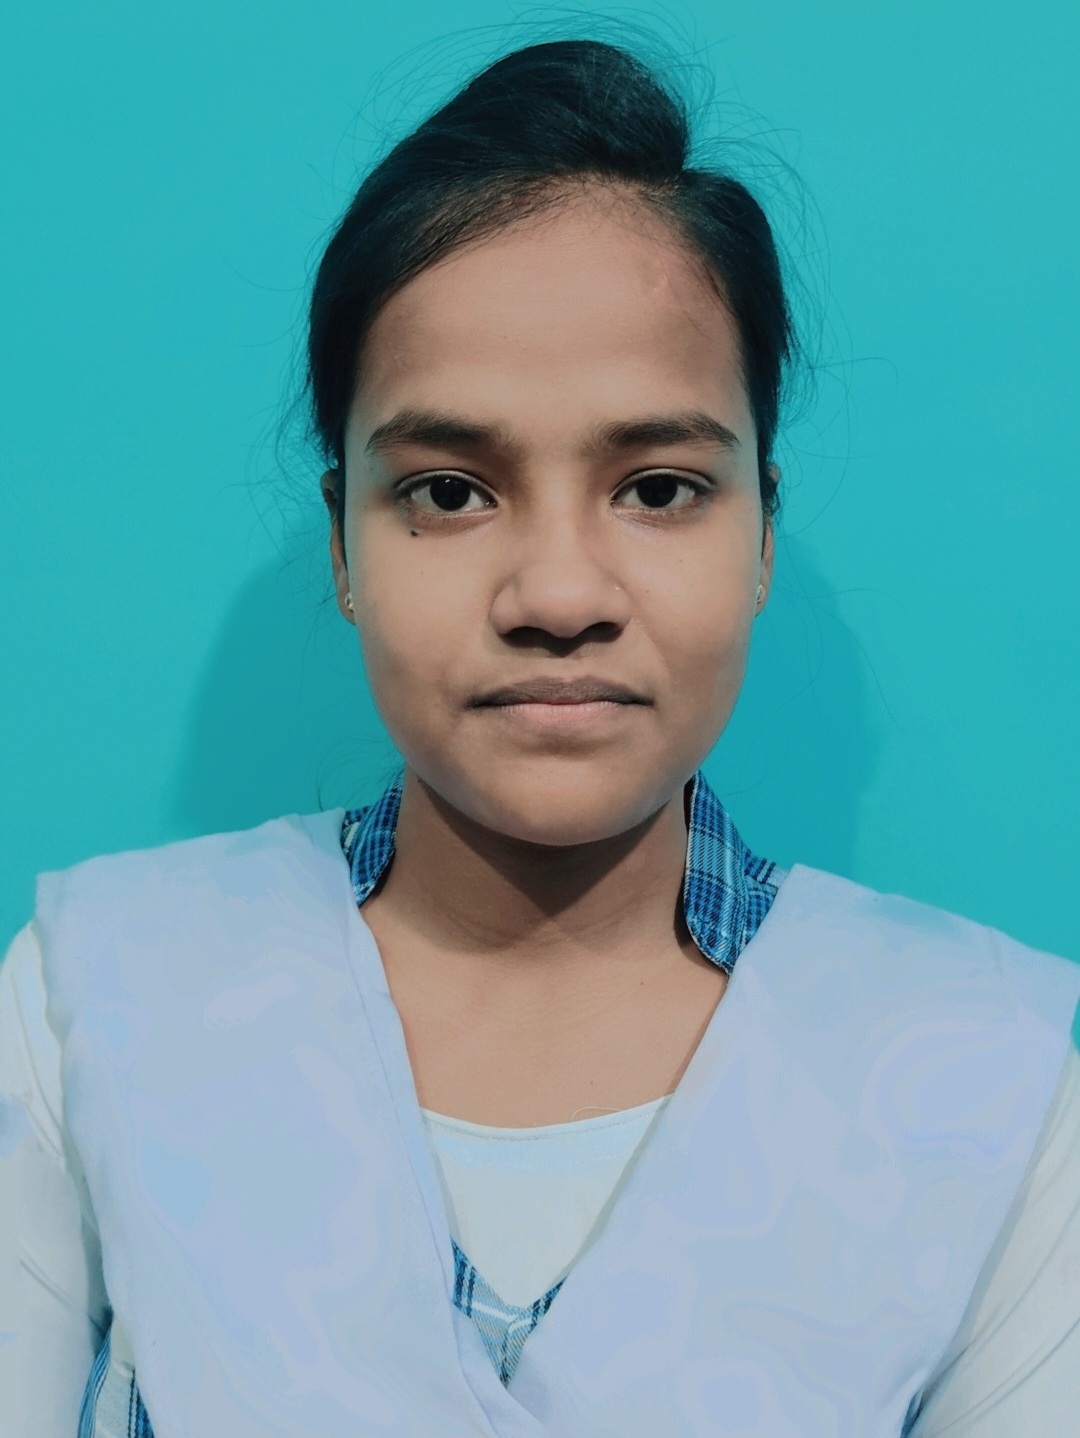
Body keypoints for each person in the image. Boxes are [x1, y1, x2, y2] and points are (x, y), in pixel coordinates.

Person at [2, 36, 1078, 1438]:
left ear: (763, 530)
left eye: (660, 487)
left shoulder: (991, 1078)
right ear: (341, 541)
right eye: (450, 491)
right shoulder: (95, 1002)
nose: (560, 596)